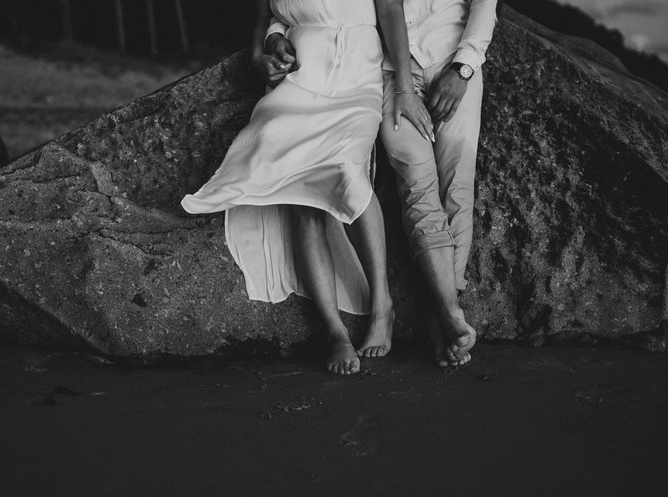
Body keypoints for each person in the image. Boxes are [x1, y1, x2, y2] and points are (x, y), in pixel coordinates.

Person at [182, 0, 431, 375]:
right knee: (292, 182)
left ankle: (383, 306)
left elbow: (391, 11)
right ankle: (335, 332)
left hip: (355, 76)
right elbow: (266, 16)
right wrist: (262, 53)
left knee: (348, 170)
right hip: (300, 80)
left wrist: (405, 92)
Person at [267, 0, 498, 367]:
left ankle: (446, 314)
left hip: (449, 61)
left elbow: (485, 6)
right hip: (391, 73)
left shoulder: (459, 68)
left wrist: (464, 69)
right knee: (416, 187)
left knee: (457, 188)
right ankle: (448, 314)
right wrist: (275, 34)